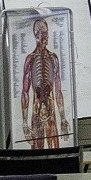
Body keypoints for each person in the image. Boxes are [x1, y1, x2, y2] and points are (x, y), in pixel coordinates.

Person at [19, 19, 68, 149]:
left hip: (51, 110)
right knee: (37, 153)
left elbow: (57, 91)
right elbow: (25, 93)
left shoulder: (53, 58)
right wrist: (24, 124)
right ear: (35, 35)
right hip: (36, 110)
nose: (42, 35)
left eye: (45, 31)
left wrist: (63, 119)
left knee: (55, 151)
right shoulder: (30, 59)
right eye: (39, 31)